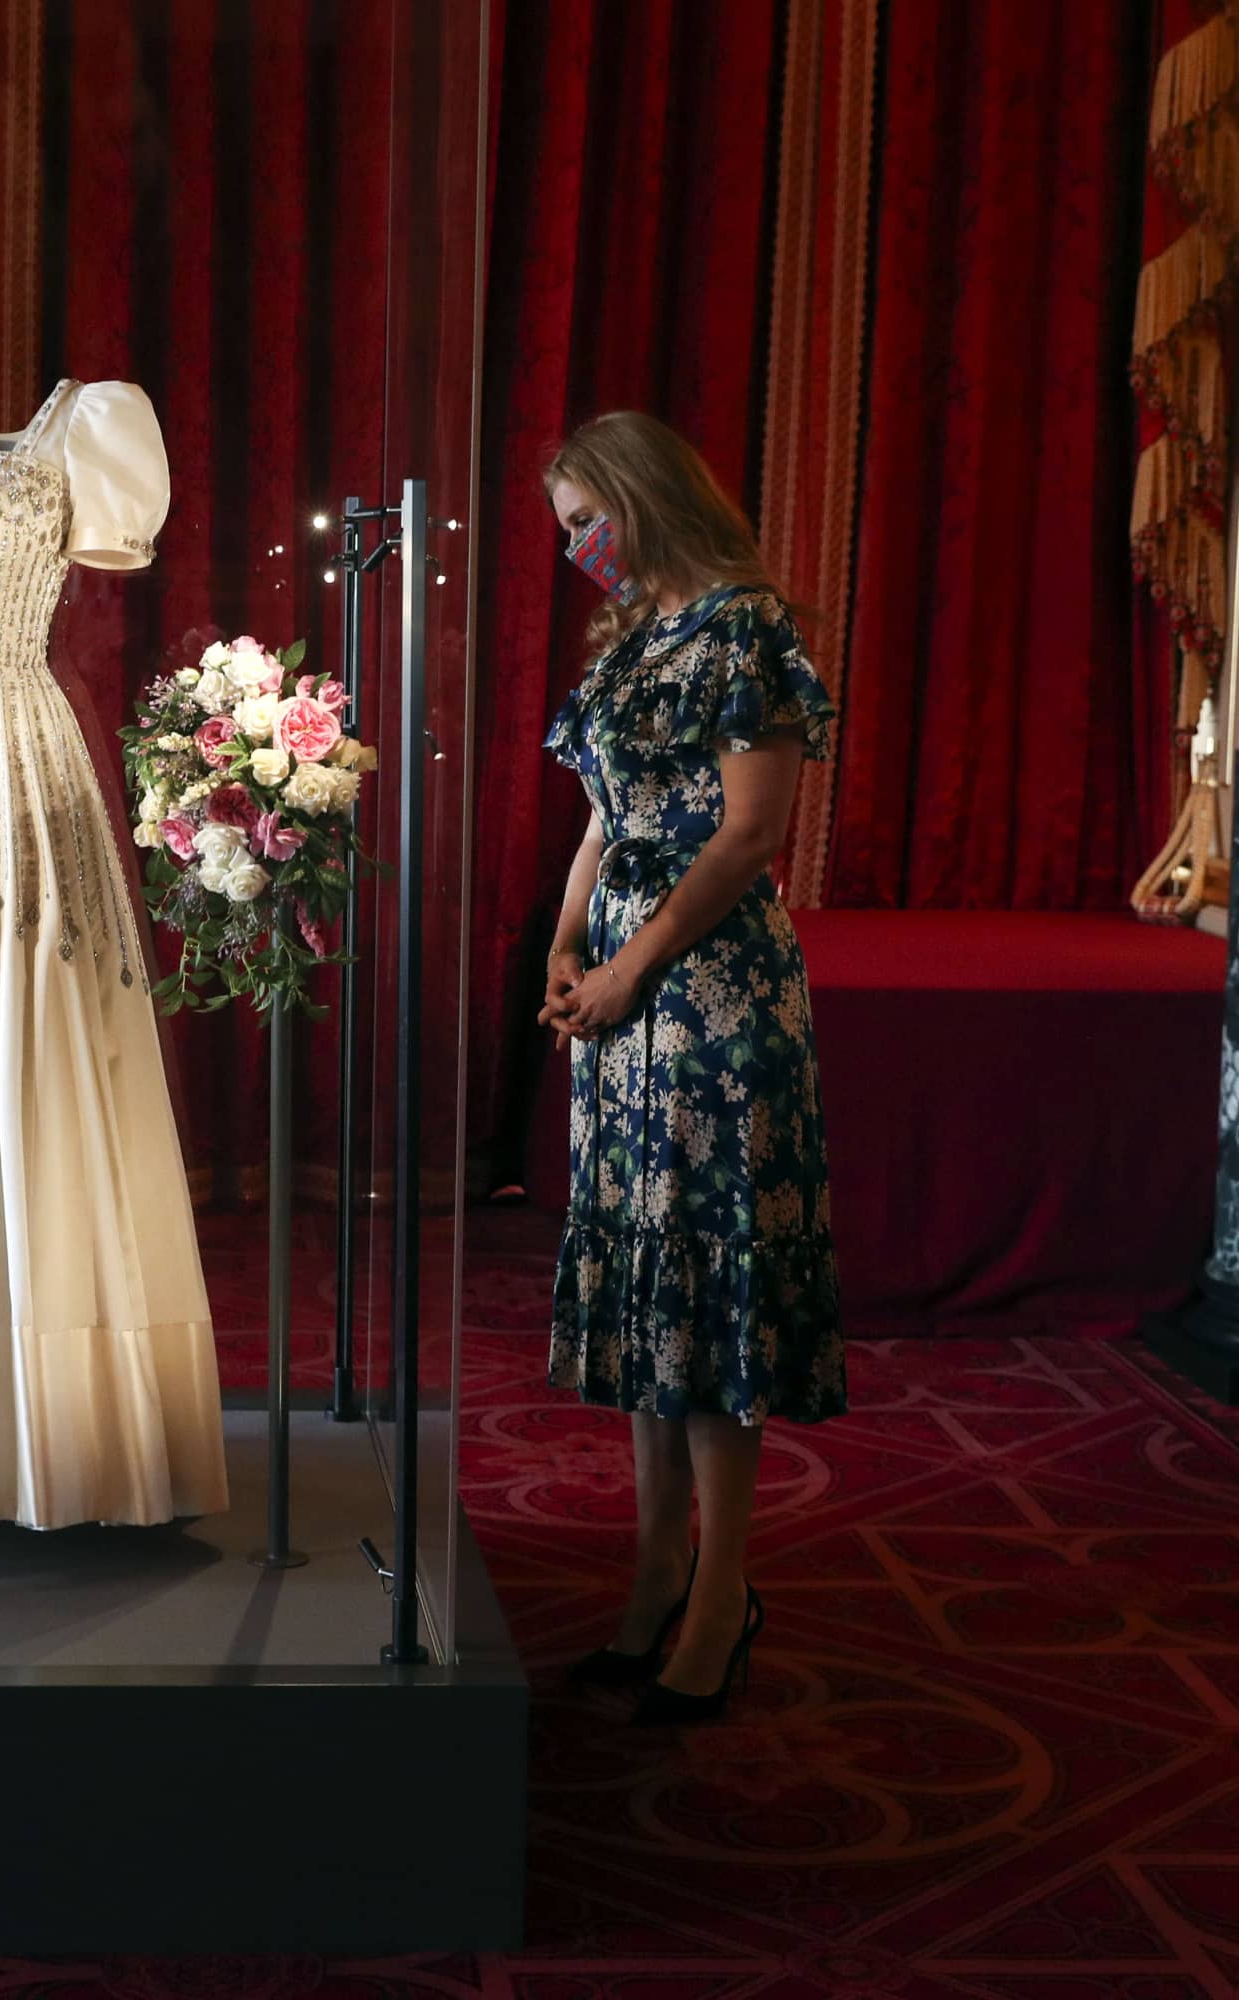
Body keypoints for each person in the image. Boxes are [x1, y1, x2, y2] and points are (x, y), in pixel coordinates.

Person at [537, 411, 845, 1725]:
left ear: (637, 499)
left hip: (712, 994)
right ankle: (658, 1564)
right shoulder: (633, 644)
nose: (574, 552)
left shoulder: (746, 628)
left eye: (580, 522)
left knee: (709, 1282)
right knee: (645, 1277)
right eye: (563, 532)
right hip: (618, 1002)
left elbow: (750, 834)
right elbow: (607, 817)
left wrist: (632, 965)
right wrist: (562, 947)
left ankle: (724, 1591)